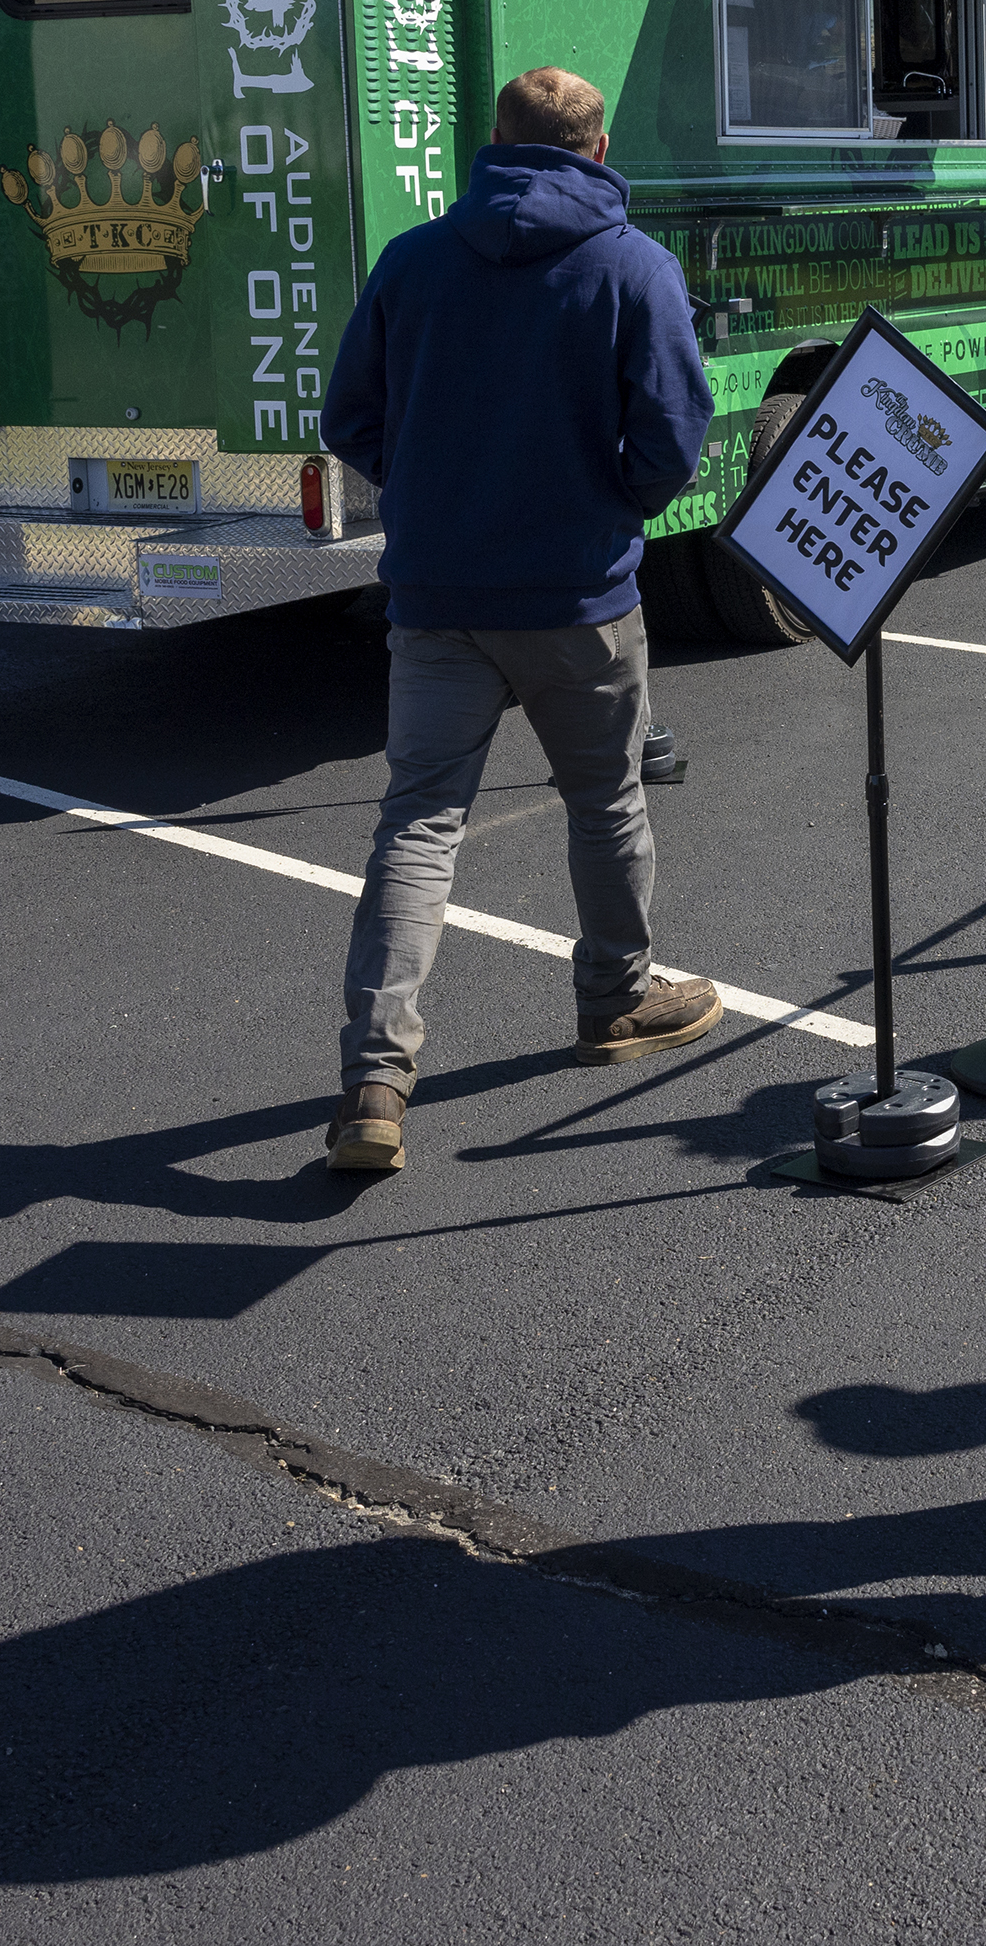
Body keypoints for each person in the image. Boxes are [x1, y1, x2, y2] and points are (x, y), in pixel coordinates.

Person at [312, 66, 722, 1175]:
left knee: (419, 824)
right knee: (606, 799)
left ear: (491, 144)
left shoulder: (415, 260)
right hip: (580, 598)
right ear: (599, 150)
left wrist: (436, 491)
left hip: (440, 600)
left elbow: (348, 415)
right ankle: (615, 1003)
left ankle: (373, 1083)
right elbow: (675, 436)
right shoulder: (632, 264)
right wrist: (610, 504)